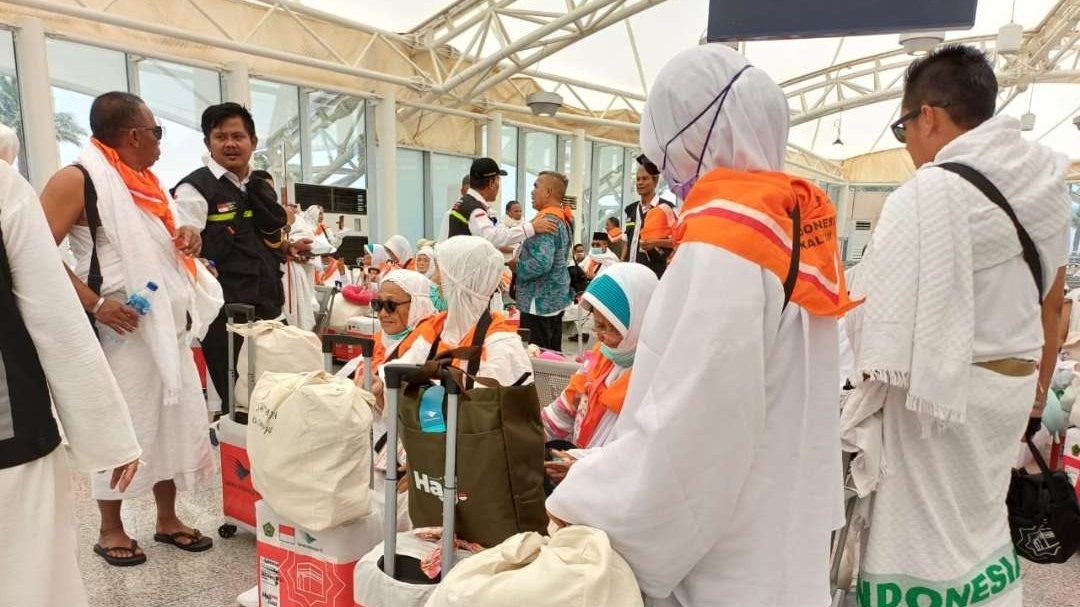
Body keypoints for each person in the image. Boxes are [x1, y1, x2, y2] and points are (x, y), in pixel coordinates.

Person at [546, 45, 855, 607]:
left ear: (694, 139)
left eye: (667, 154)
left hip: (725, 555)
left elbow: (693, 431)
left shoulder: (726, 246)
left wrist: (582, 502)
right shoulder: (792, 225)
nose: (666, 173)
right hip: (780, 530)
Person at [846, 45, 1069, 606]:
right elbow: (1053, 305)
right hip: (1013, 388)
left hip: (941, 398)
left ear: (929, 116)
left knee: (923, 527)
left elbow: (874, 321)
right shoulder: (1045, 185)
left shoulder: (928, 193)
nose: (909, 148)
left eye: (904, 129)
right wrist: (1039, 396)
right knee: (981, 521)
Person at [39, 91, 224, 566]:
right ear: (134, 134)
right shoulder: (76, 179)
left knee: (169, 418)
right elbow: (35, 253)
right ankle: (110, 528)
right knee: (119, 424)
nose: (161, 143)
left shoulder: (147, 182)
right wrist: (97, 304)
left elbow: (165, 242)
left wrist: (189, 236)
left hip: (166, 325)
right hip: (119, 328)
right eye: (157, 132)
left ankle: (167, 518)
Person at [0, 136, 142, 607]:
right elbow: (53, 316)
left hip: (12, 429)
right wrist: (109, 435)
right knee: (29, 577)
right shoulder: (4, 189)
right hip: (10, 432)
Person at [172, 102, 310, 416]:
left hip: (270, 307)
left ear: (253, 142)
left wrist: (286, 248)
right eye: (220, 137)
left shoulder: (260, 187)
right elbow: (185, 238)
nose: (230, 144)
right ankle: (241, 460)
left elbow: (261, 236)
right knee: (240, 405)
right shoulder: (195, 189)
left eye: (238, 136)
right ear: (208, 143)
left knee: (281, 398)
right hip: (226, 317)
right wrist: (189, 239)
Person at [542, 263, 659, 482]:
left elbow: (638, 451)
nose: (601, 336)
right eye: (597, 325)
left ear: (639, 323)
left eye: (611, 328)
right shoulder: (603, 355)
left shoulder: (655, 377)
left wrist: (584, 464)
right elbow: (567, 406)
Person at [386, 236, 532, 389]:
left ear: (460, 283)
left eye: (442, 273)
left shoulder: (501, 345)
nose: (436, 279)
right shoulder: (438, 326)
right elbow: (400, 368)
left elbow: (487, 405)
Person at [513, 171, 574, 351]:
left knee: (537, 357)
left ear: (548, 192)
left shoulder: (546, 222)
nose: (532, 192)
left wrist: (517, 267)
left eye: (536, 186)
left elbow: (541, 264)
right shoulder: (564, 217)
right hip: (555, 298)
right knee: (553, 355)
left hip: (538, 302)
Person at [439, 156, 557, 243]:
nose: (499, 185)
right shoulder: (474, 210)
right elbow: (492, 237)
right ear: (491, 183)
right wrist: (531, 228)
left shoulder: (462, 204)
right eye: (498, 180)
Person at [624, 161, 676, 277]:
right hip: (631, 272)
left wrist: (656, 242)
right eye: (638, 179)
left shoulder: (666, 208)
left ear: (655, 181)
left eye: (644, 179)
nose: (640, 183)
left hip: (655, 273)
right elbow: (628, 241)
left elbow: (678, 241)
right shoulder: (631, 209)